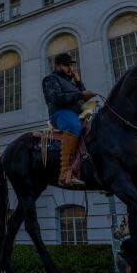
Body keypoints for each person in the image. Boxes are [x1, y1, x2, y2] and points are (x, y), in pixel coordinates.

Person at [41, 52, 96, 188]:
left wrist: (78, 81)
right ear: (57, 66)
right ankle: (65, 174)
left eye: (70, 65)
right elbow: (56, 98)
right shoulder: (51, 79)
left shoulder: (71, 83)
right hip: (60, 113)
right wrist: (80, 93)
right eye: (66, 65)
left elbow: (83, 97)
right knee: (74, 126)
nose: (69, 68)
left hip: (77, 113)